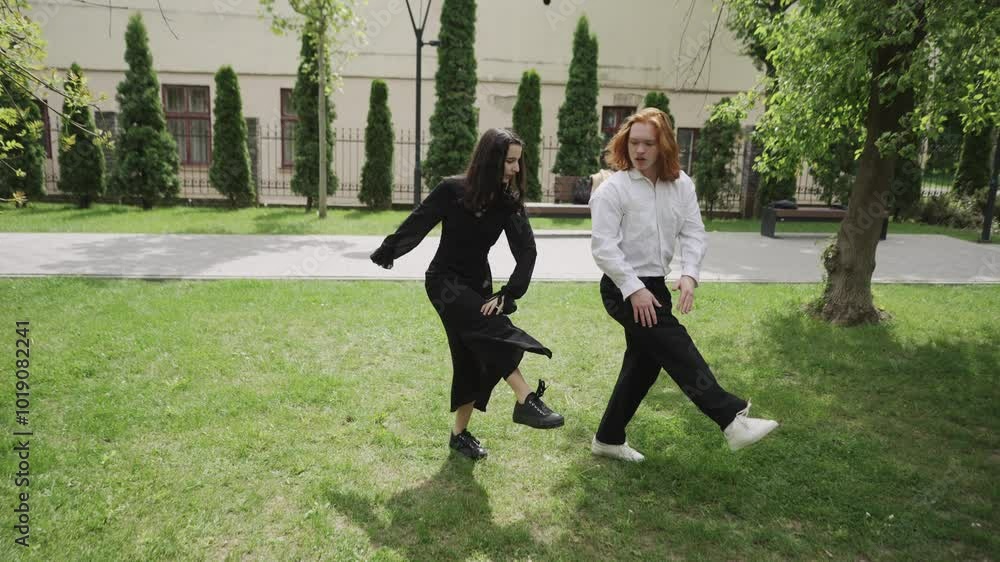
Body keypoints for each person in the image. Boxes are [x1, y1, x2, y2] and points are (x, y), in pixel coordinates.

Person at [588, 108, 778, 462]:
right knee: (677, 347)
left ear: (664, 145)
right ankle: (730, 420)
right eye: (633, 142)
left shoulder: (681, 185)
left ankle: (608, 438)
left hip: (656, 285)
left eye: (648, 143)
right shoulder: (613, 190)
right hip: (622, 287)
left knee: (644, 366)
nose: (639, 150)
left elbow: (693, 233)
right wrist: (634, 289)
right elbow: (603, 247)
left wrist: (689, 274)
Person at [370, 128, 564, 461]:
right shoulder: (452, 190)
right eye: (510, 161)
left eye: (519, 162)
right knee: (492, 329)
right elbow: (419, 221)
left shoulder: (507, 202)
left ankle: (459, 435)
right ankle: (525, 398)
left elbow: (527, 251)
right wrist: (389, 250)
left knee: (471, 360)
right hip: (444, 283)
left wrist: (508, 294)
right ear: (491, 159)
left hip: (479, 287)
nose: (516, 168)